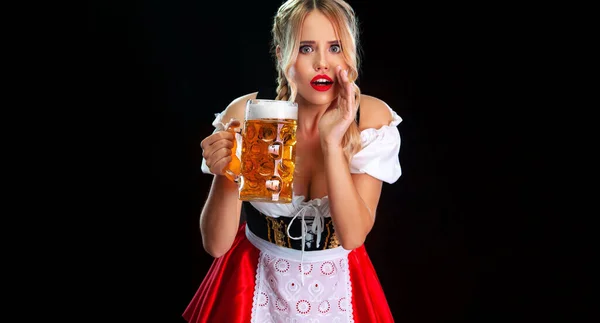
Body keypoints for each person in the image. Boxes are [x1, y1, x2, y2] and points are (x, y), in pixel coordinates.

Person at [183, 0, 402, 322]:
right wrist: (225, 171)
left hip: (338, 285)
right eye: (306, 48)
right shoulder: (249, 113)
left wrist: (331, 142)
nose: (322, 63)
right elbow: (216, 245)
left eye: (335, 47)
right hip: (254, 283)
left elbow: (353, 237)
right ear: (280, 54)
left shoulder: (369, 118)